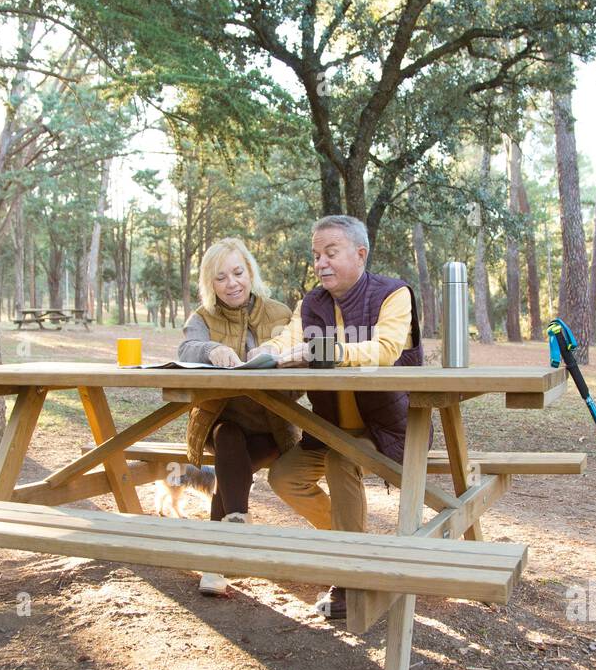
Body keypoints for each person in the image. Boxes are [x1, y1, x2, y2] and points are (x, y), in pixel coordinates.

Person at [248, 215, 425, 620]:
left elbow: (385, 349)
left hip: (387, 429)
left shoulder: (394, 294)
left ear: (360, 254)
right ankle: (358, 549)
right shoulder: (312, 303)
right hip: (328, 428)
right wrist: (259, 356)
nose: (321, 263)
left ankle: (351, 573)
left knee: (341, 460)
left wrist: (326, 350)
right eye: (315, 255)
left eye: (331, 253)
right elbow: (289, 339)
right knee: (283, 476)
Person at [177, 237, 300, 596]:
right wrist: (211, 349)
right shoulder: (202, 318)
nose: (232, 283)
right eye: (220, 277)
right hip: (220, 423)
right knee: (229, 437)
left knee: (233, 468)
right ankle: (237, 528)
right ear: (209, 283)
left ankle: (217, 561)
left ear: (250, 272)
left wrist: (280, 356)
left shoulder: (280, 313)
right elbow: (185, 348)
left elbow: (301, 362)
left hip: (272, 427)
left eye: (238, 272)